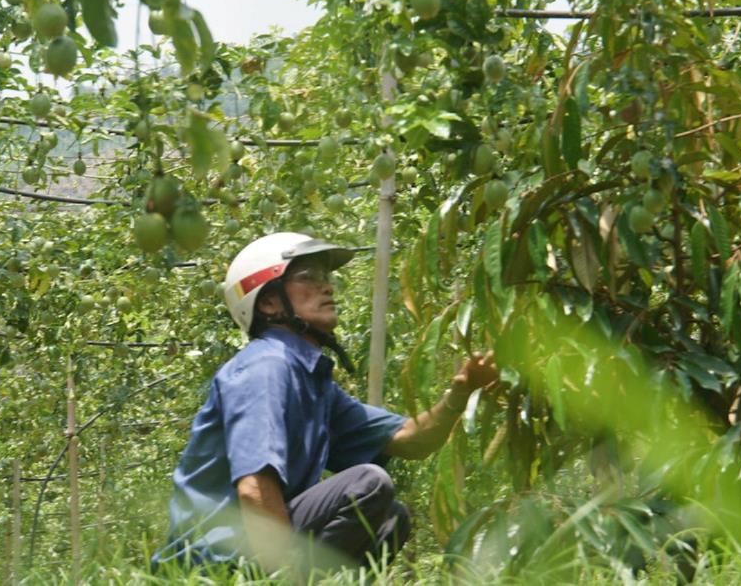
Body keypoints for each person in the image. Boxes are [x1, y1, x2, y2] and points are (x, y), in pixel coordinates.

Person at [153, 231, 498, 573]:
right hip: (209, 563)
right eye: (309, 277)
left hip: (255, 550)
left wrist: (461, 392)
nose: (328, 287)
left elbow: (411, 440)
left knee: (391, 519)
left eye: (327, 277)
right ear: (270, 303)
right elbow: (254, 489)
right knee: (369, 483)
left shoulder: (312, 381)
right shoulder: (266, 367)